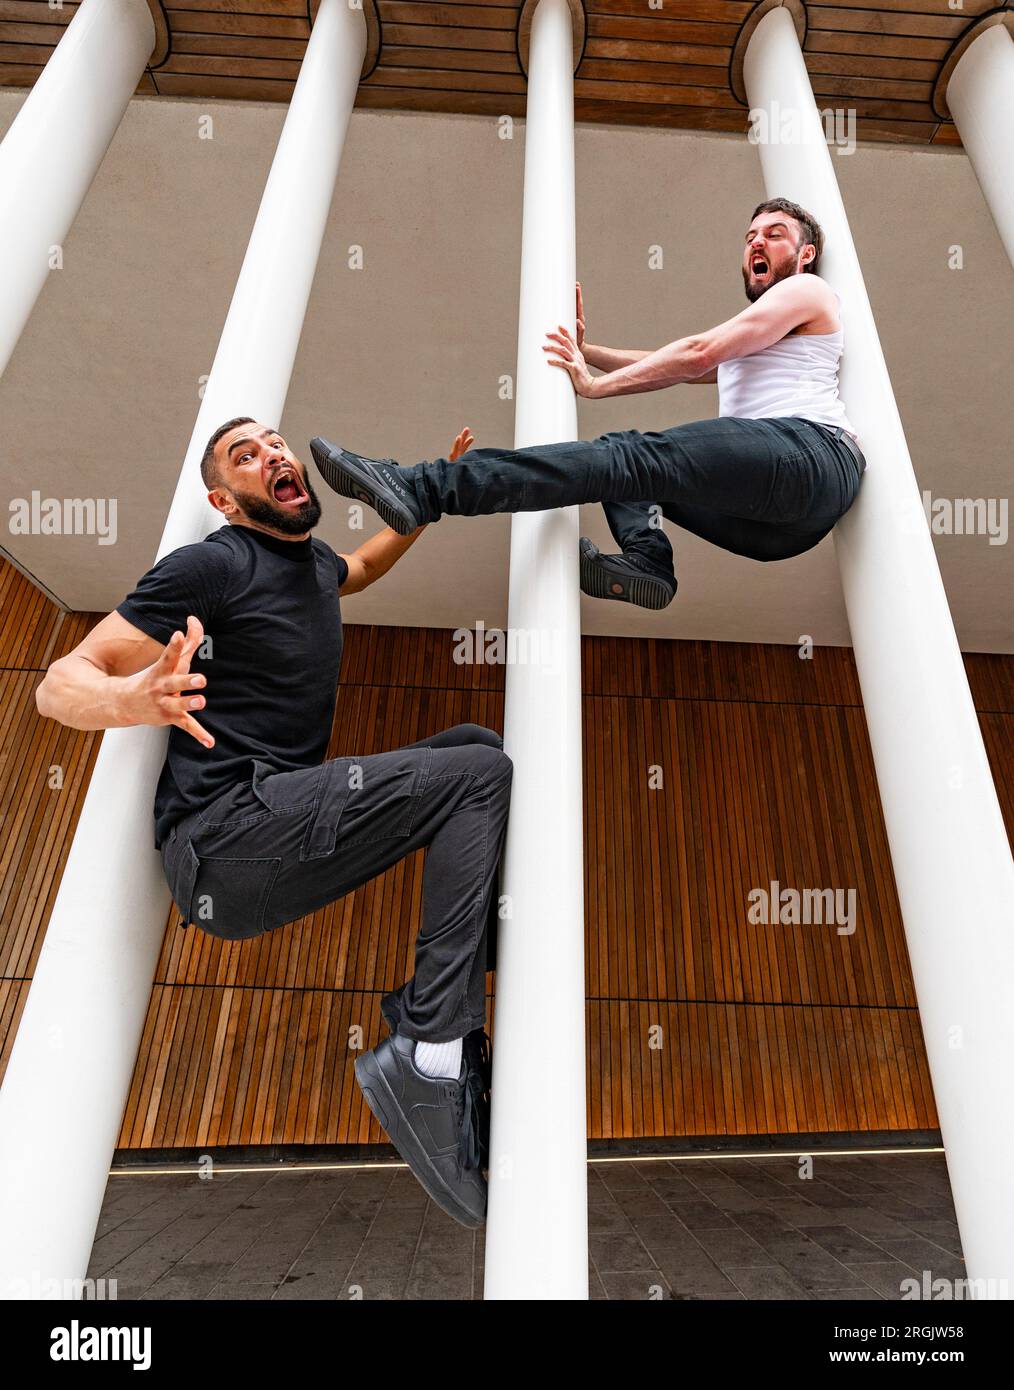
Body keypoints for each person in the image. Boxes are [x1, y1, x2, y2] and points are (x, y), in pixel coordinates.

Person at [35, 418, 512, 1229]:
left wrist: (424, 501)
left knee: (477, 748)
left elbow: (358, 568)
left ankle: (441, 1029)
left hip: (274, 826)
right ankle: (432, 1050)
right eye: (246, 456)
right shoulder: (214, 563)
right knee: (480, 775)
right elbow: (58, 682)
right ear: (225, 499)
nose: (274, 457)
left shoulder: (313, 564)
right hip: (226, 841)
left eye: (277, 443)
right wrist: (131, 698)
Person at [309, 198, 866, 609]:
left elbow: (698, 353)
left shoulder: (807, 291)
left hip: (812, 455)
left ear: (806, 254)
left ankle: (422, 486)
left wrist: (593, 387)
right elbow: (686, 365)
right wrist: (588, 352)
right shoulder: (771, 339)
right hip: (780, 527)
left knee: (627, 455)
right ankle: (649, 560)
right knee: (632, 475)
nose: (757, 244)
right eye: (750, 237)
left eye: (774, 234)